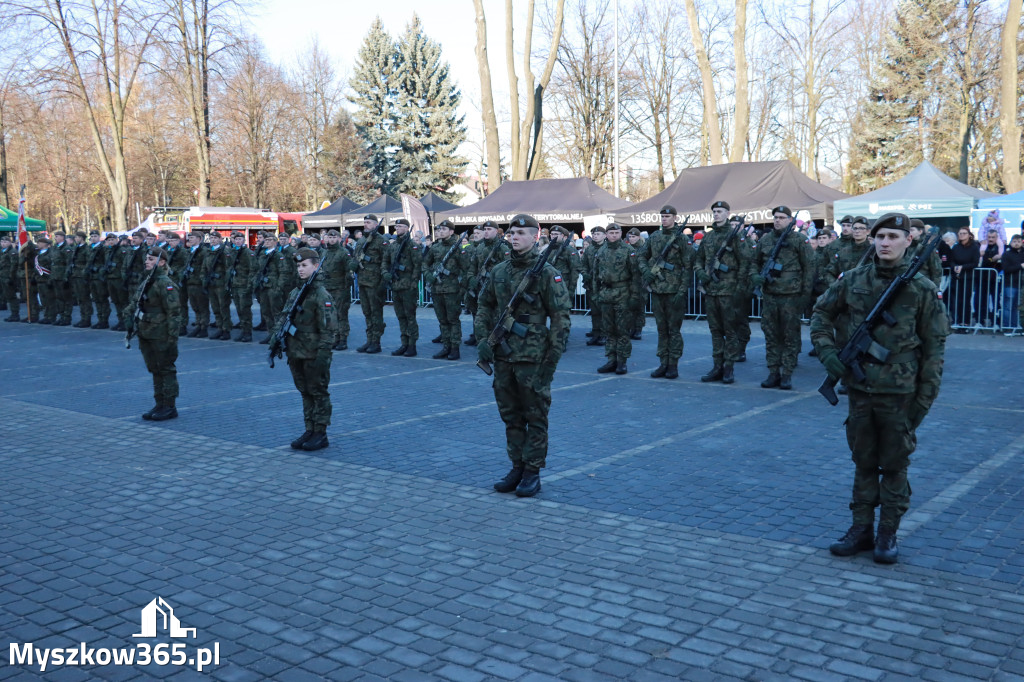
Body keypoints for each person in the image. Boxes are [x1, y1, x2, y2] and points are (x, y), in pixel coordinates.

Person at [811, 212, 949, 564]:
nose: (885, 242)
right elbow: (821, 313)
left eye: (892, 236)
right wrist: (828, 352)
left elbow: (934, 350)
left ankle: (887, 532)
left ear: (908, 241)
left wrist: (925, 399)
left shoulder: (921, 289)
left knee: (895, 464)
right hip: (859, 390)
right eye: (879, 236)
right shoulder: (853, 279)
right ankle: (860, 528)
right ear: (871, 240)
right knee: (863, 462)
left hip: (900, 394)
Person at [475, 214, 571, 498]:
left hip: (533, 358)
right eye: (512, 233)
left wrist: (551, 362)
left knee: (535, 416)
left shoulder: (547, 272)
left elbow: (561, 319)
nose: (514, 237)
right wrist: (483, 339)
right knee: (511, 416)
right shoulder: (500, 271)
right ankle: (516, 467)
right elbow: (483, 305)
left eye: (521, 233)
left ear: (535, 236)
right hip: (504, 357)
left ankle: (532, 472)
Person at [270, 247, 336, 452]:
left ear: (316, 267)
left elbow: (329, 330)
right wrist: (276, 339)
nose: (300, 269)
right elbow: (284, 317)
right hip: (296, 351)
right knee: (305, 392)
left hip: (314, 353)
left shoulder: (320, 294)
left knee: (318, 392)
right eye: (298, 265)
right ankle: (310, 428)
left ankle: (321, 432)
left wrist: (322, 356)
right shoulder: (297, 291)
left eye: (304, 265)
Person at [753, 206, 815, 390]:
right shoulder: (765, 240)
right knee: (771, 335)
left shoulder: (799, 240)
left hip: (791, 297)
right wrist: (755, 276)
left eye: (781, 217)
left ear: (790, 220)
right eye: (775, 217)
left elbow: (810, 269)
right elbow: (754, 263)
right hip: (770, 296)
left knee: (789, 336)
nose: (777, 220)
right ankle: (773, 372)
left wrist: (804, 296)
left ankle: (786, 373)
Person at [694, 200, 755, 383]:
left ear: (727, 213)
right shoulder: (709, 237)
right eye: (714, 211)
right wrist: (701, 274)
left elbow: (746, 261)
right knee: (715, 331)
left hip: (729, 291)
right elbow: (698, 259)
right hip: (711, 291)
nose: (716, 214)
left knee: (731, 331)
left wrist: (740, 288)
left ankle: (729, 367)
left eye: (720, 211)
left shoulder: (735, 236)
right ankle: (717, 366)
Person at [639, 205, 695, 379]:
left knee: (674, 330)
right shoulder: (654, 237)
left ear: (675, 218)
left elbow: (688, 266)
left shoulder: (682, 240)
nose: (664, 219)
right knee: (661, 329)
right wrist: (645, 271)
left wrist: (682, 290)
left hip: (674, 291)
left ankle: (673, 365)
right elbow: (641, 255)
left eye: (668, 216)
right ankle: (663, 362)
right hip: (657, 290)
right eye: (662, 216)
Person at [126, 248, 181, 422]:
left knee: (166, 369)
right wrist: (128, 318)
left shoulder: (165, 283)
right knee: (155, 369)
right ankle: (160, 403)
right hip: (146, 331)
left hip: (161, 332)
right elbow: (136, 302)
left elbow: (174, 312)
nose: (146, 262)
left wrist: (172, 337)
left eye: (151, 259)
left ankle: (170, 406)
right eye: (146, 259)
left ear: (161, 262)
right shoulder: (148, 280)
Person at [593, 223, 640, 375]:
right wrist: (596, 294)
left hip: (622, 294)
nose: (614, 235)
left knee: (622, 330)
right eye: (611, 232)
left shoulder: (628, 250)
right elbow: (595, 274)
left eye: (617, 232)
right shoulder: (601, 251)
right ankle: (611, 359)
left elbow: (635, 276)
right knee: (608, 330)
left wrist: (634, 296)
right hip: (606, 293)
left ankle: (622, 361)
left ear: (621, 233)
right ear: (606, 234)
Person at [423, 219, 468, 360]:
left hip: (452, 290)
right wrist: (428, 275)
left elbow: (466, 269)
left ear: (451, 232)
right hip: (437, 289)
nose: (440, 232)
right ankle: (446, 346)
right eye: (439, 230)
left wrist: (461, 288)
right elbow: (424, 263)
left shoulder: (458, 248)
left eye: (443, 229)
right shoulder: (435, 247)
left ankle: (455, 348)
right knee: (442, 320)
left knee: (453, 320)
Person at [464, 220, 510, 346]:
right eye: (485, 230)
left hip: (495, 291)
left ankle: (497, 346)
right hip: (480, 289)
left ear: (496, 231)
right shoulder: (480, 247)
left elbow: (508, 270)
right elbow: (473, 266)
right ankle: (483, 346)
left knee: (496, 320)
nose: (486, 232)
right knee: (481, 320)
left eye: (489, 230)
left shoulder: (503, 248)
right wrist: (471, 278)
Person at [382, 218, 423, 356]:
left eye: (400, 226)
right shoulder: (392, 246)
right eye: (396, 226)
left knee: (410, 317)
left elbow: (418, 266)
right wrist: (386, 273)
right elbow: (385, 261)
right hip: (396, 286)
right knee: (401, 317)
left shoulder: (412, 245)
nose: (397, 228)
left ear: (406, 228)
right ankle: (404, 343)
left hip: (408, 287)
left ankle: (412, 345)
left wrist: (413, 284)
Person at [352, 214, 387, 353]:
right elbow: (355, 257)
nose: (366, 225)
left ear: (375, 224)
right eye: (364, 222)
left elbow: (386, 261)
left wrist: (383, 282)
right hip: (362, 281)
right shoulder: (361, 241)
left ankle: (376, 342)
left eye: (368, 222)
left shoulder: (381, 241)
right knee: (367, 312)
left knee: (376, 313)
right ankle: (369, 339)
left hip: (375, 282)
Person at [825, 216, 872, 286]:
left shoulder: (873, 252)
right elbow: (829, 272)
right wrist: (836, 286)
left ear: (868, 231)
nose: (857, 231)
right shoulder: (843, 252)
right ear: (852, 230)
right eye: (855, 228)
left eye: (861, 228)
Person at [202, 231, 232, 339]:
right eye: (211, 238)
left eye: (215, 238)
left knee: (223, 307)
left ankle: (226, 330)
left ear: (220, 239)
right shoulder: (209, 251)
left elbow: (228, 268)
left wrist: (226, 283)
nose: (213, 240)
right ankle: (220, 328)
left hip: (221, 284)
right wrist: (204, 279)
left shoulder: (224, 251)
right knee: (215, 308)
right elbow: (204, 267)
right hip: (211, 284)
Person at [949, 226, 979, 327]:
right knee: (957, 300)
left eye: (964, 233)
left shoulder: (974, 247)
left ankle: (965, 322)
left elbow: (975, 263)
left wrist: (963, 267)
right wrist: (955, 267)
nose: (961, 235)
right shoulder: (956, 247)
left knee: (966, 300)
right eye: (960, 233)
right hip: (957, 276)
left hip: (968, 277)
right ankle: (957, 321)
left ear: (969, 235)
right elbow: (951, 260)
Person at [226, 231, 254, 342]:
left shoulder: (248, 253)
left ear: (244, 240)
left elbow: (253, 269)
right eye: (236, 239)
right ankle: (243, 330)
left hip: (244, 285)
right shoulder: (232, 252)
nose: (238, 241)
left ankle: (248, 332)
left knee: (245, 309)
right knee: (239, 309)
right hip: (235, 284)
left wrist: (249, 285)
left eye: (240, 239)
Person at [181, 232, 210, 338]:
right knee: (195, 307)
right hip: (190, 282)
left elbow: (206, 267)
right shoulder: (189, 251)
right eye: (189, 238)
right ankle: (198, 325)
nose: (190, 240)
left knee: (203, 307)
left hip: (199, 283)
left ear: (199, 239)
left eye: (192, 238)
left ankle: (203, 327)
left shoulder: (204, 251)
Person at [582, 226, 606, 345]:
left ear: (604, 235)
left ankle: (603, 334)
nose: (595, 236)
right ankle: (596, 334)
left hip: (603, 285)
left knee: (603, 311)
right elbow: (583, 265)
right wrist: (585, 274)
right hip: (591, 285)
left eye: (598, 234)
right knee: (595, 311)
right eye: (594, 234)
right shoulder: (589, 249)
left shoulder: (607, 248)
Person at [977, 228, 1001, 328]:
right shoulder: (982, 246)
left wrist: (995, 258)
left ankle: (996, 322)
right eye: (989, 237)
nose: (990, 239)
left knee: (996, 301)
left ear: (997, 238)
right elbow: (986, 260)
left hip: (995, 279)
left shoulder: (1000, 247)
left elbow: (1001, 261)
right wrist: (991, 258)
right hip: (983, 278)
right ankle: (980, 321)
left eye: (993, 237)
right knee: (981, 300)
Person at [1001, 233, 1023, 330]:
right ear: (1011, 242)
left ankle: (1014, 326)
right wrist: (1020, 266)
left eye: (1019, 241)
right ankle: (1007, 326)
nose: (1016, 244)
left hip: (1021, 284)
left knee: (1016, 307)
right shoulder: (1006, 254)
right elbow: (1006, 269)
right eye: (1014, 241)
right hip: (1010, 284)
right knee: (1008, 306)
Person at [70, 231, 92, 327]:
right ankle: (83, 318)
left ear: (82, 238)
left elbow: (88, 262)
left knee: (85, 298)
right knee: (80, 298)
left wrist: (84, 273)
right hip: (76, 275)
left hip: (82, 276)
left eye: (77, 237)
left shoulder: (86, 248)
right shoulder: (76, 248)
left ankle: (87, 318)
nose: (75, 239)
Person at [0, 234, 20, 320]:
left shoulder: (12, 252)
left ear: (9, 243)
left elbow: (14, 265)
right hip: (2, 276)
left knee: (11, 296)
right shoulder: (2, 251)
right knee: (7, 295)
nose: (3, 243)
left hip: (8, 277)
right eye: (1, 242)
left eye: (5, 242)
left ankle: (15, 314)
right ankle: (12, 313)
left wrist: (11, 278)